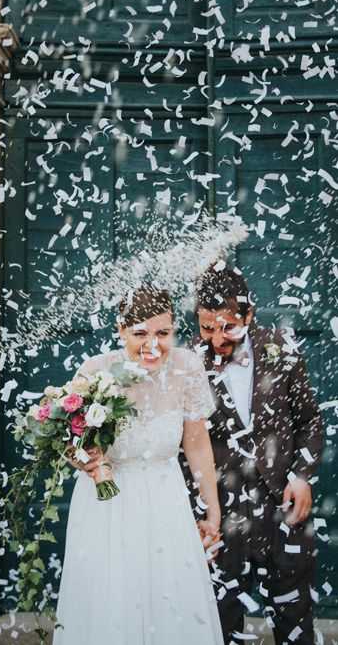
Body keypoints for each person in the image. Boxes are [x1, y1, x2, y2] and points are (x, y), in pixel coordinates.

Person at [53, 284, 224, 645]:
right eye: (140, 334)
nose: (153, 344)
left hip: (165, 499)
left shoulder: (187, 367)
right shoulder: (95, 372)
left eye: (163, 333)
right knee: (111, 598)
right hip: (107, 505)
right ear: (120, 331)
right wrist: (89, 462)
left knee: (170, 595)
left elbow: (197, 445)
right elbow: (71, 443)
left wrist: (212, 511)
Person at [189, 265, 323, 645]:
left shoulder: (281, 348)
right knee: (219, 620)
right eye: (207, 328)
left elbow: (310, 422)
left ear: (249, 315)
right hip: (219, 512)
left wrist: (301, 476)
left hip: (282, 507)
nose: (217, 338)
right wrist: (198, 509)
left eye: (228, 327)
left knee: (294, 620)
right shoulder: (186, 363)